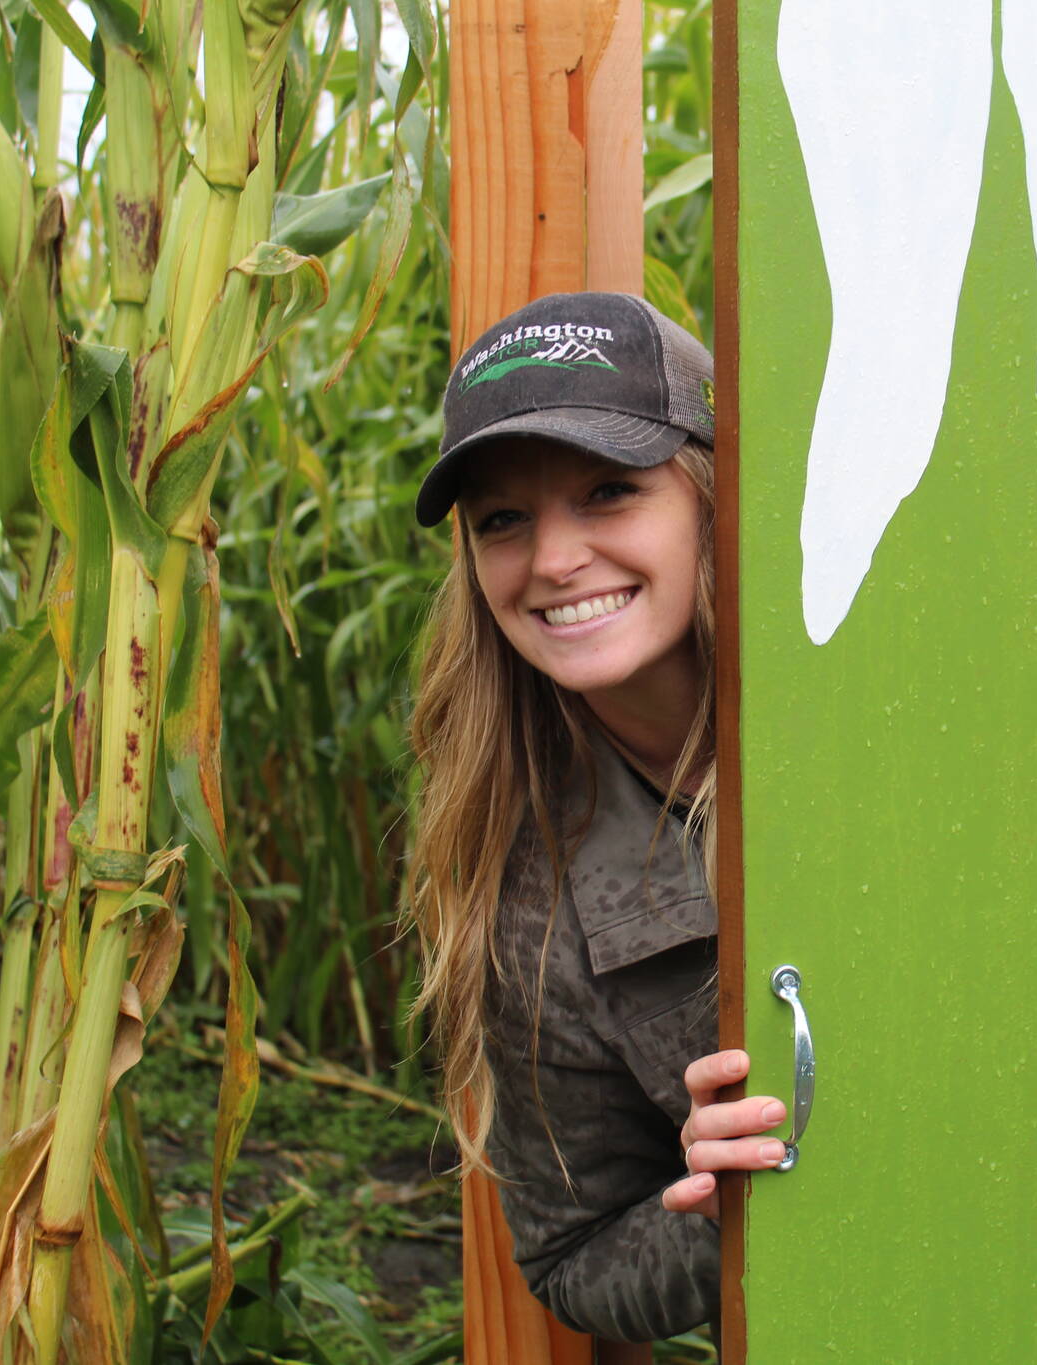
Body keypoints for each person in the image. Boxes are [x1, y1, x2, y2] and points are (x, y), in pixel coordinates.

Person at [406, 292, 782, 1343]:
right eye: (503, 520)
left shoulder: (877, 705)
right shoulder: (529, 894)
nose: (553, 560)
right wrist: (720, 1209)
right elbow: (574, 1252)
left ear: (711, 491)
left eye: (608, 491)